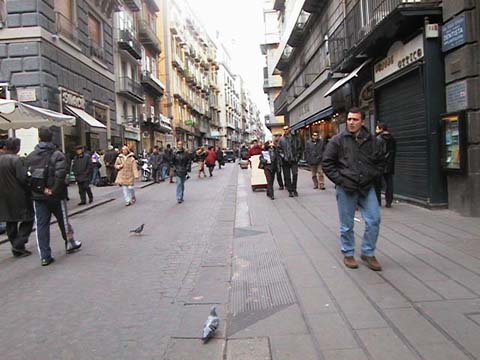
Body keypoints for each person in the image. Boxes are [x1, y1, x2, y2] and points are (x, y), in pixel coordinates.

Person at [322, 107, 384, 271]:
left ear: (362, 121)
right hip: (346, 188)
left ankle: (368, 253)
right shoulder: (338, 140)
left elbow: (380, 161)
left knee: (374, 220)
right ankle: (348, 253)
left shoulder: (372, 141)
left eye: (355, 119)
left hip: (366, 187)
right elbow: (327, 163)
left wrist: (372, 175)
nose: (351, 122)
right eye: (349, 119)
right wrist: (341, 181)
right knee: (347, 225)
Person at [26, 128, 82, 266]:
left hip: (38, 196)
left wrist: (40, 189)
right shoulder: (58, 155)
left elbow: (27, 177)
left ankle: (45, 256)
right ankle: (70, 243)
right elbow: (61, 175)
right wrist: (53, 190)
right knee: (63, 220)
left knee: (41, 225)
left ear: (39, 138)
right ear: (52, 139)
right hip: (57, 195)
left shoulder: (31, 156)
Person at [0, 138, 34, 258]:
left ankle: (17, 245)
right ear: (16, 147)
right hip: (19, 195)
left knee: (11, 221)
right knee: (28, 219)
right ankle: (18, 244)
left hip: (3, 196)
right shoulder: (17, 160)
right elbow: (23, 178)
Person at [374, 123, 396, 208]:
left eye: (377, 128)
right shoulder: (393, 138)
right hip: (390, 164)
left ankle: (378, 202)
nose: (376, 130)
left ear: (381, 129)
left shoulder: (378, 139)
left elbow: (377, 152)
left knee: (377, 184)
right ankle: (389, 202)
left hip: (380, 164)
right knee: (389, 183)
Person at [278, 126, 301, 197]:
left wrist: (297, 157)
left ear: (289, 129)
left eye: (286, 129)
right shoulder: (281, 139)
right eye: (284, 129)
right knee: (287, 176)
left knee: (295, 175)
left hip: (294, 159)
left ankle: (294, 189)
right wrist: (283, 156)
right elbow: (279, 150)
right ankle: (290, 190)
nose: (285, 130)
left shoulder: (295, 138)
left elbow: (300, 148)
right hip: (286, 160)